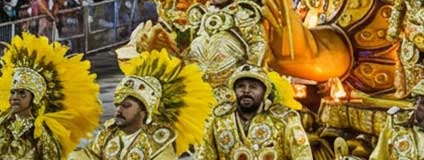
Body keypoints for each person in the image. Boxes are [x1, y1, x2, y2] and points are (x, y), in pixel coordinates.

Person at [71, 50, 213, 160]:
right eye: (118, 105)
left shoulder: (158, 142)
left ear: (144, 112)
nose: (119, 110)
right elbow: (88, 155)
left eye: (126, 106)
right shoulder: (108, 133)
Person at [185, 0, 268, 102]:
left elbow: (257, 44)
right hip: (198, 88)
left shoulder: (242, 13)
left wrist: (248, 79)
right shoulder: (200, 14)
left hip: (231, 89)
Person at [0, 32, 101, 160]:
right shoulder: (3, 123)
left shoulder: (43, 135)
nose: (15, 97)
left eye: (22, 94)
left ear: (35, 98)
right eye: (13, 92)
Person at [200, 65, 312, 160]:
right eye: (240, 86)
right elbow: (205, 156)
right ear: (234, 90)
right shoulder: (219, 120)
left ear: (265, 92)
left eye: (253, 87)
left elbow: (302, 155)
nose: (246, 91)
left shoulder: (284, 119)